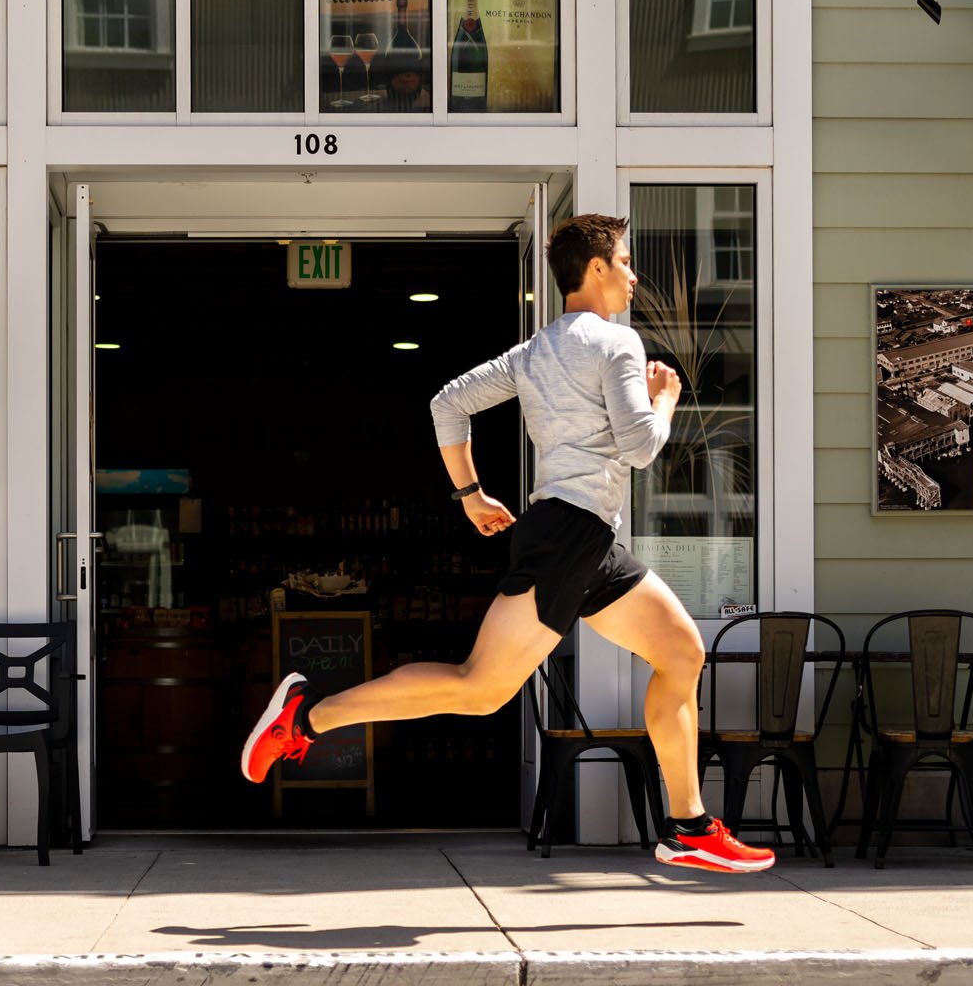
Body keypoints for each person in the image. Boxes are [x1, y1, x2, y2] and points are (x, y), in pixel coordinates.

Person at [240, 213, 773, 873]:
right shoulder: (617, 343)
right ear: (598, 268)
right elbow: (640, 448)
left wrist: (470, 495)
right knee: (479, 688)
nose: (635, 277)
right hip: (572, 535)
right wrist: (667, 399)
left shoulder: (535, 352)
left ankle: (689, 825)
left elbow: (447, 404)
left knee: (681, 652)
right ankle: (305, 718)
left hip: (582, 537)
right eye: (628, 262)